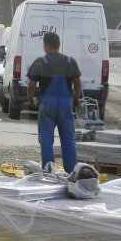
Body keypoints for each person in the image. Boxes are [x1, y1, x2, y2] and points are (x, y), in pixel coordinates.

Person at [26, 32, 82, 174]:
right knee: (68, 139)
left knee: (46, 140)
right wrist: (75, 98)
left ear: (45, 45)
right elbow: (77, 82)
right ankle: (71, 173)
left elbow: (31, 84)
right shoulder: (70, 61)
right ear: (59, 45)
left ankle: (49, 171)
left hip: (47, 105)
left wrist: (30, 98)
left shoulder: (40, 62)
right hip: (66, 105)